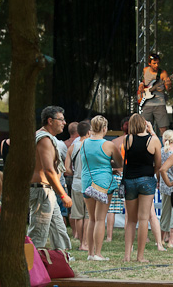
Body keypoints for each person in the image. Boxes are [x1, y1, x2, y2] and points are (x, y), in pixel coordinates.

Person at [28, 106, 72, 251]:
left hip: (46, 191)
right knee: (38, 234)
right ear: (50, 121)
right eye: (61, 120)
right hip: (42, 191)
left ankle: (63, 257)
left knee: (59, 229)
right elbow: (48, 170)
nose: (64, 123)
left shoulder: (43, 137)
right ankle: (31, 261)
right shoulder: (44, 139)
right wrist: (63, 195)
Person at [80, 115, 123, 261]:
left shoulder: (83, 143)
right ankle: (98, 253)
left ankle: (90, 253)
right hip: (103, 183)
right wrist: (108, 165)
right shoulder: (108, 145)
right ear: (104, 128)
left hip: (87, 182)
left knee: (91, 218)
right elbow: (119, 163)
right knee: (100, 219)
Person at [122, 114, 162, 262]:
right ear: (145, 124)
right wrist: (151, 131)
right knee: (144, 219)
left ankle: (127, 255)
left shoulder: (127, 139)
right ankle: (140, 256)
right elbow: (158, 164)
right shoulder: (153, 140)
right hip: (146, 178)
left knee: (131, 220)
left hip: (130, 180)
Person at [65, 120, 91, 250]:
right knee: (88, 215)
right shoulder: (91, 146)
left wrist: (75, 173)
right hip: (90, 182)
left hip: (76, 182)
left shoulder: (72, 147)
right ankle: (86, 243)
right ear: (88, 132)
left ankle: (81, 243)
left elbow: (67, 169)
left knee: (78, 215)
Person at [138, 52, 172, 133]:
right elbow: (144, 80)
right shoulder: (145, 70)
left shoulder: (163, 73)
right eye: (154, 63)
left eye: (158, 63)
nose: (156, 65)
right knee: (144, 128)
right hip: (146, 103)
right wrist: (141, 84)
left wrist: (169, 84)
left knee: (163, 128)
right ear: (149, 63)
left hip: (159, 103)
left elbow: (168, 90)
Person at [159, 129, 173, 249]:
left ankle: (161, 239)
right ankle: (172, 240)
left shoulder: (161, 152)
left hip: (164, 185)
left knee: (164, 213)